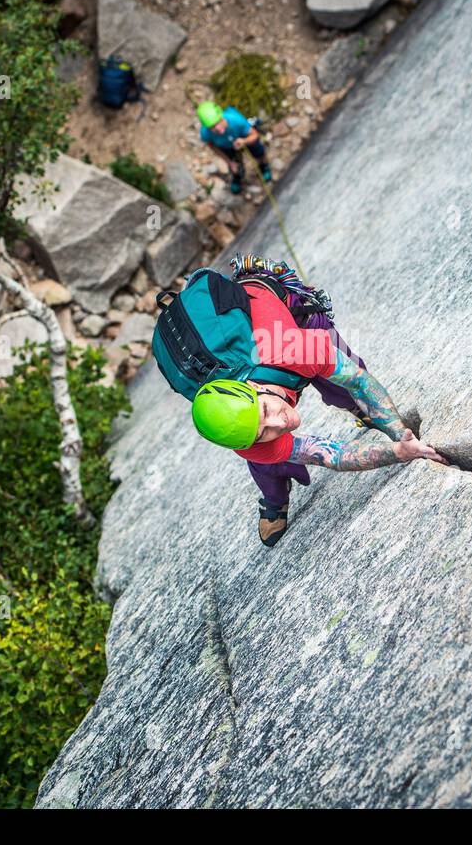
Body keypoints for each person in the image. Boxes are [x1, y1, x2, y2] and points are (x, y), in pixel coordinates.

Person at [191, 257, 445, 547]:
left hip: (283, 313)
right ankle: (275, 496)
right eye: (262, 431)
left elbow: (358, 380)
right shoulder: (240, 435)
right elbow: (327, 455)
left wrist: (401, 435)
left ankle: (362, 410)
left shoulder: (291, 348)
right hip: (223, 353)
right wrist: (398, 452)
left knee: (346, 377)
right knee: (268, 458)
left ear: (252, 388)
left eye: (265, 411)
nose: (280, 422)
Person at [196, 100, 271, 195]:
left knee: (258, 150)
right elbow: (213, 146)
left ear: (222, 116)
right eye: (212, 127)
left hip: (243, 138)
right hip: (226, 146)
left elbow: (255, 135)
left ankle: (263, 166)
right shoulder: (205, 133)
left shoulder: (236, 120)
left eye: (218, 122)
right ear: (207, 127)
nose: (218, 129)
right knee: (235, 166)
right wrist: (229, 162)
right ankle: (237, 177)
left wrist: (244, 141)